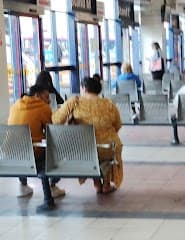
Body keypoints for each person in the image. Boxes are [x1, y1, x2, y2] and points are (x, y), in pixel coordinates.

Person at [53, 74, 123, 194]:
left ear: (84, 88)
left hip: (85, 149)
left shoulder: (74, 102)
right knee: (105, 151)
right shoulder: (109, 104)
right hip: (109, 147)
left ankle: (96, 183)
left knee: (90, 149)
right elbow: (117, 125)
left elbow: (56, 120)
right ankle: (106, 184)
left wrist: (71, 117)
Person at [8, 82, 58, 211]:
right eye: (46, 97)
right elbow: (50, 132)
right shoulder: (43, 108)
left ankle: (23, 184)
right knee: (52, 152)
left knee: (23, 145)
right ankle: (50, 193)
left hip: (12, 152)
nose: (48, 101)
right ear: (37, 95)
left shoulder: (15, 106)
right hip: (33, 153)